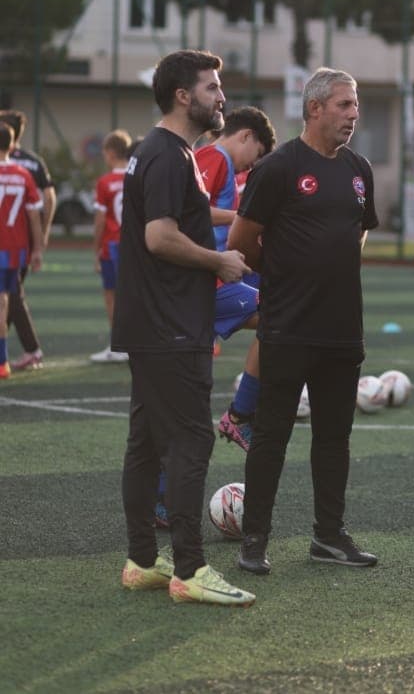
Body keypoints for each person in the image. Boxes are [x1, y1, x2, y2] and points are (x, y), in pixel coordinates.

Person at [113, 49, 255, 606]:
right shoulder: (169, 155)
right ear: (182, 95)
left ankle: (142, 560)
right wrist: (219, 261)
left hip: (153, 321)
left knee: (147, 442)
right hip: (170, 323)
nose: (221, 97)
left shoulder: (160, 152)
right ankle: (191, 570)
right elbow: (159, 237)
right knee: (191, 439)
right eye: (212, 87)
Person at [227, 66, 379, 576]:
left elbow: (358, 233)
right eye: (344, 104)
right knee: (271, 437)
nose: (354, 114)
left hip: (343, 329)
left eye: (355, 105)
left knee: (334, 438)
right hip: (288, 326)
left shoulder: (359, 169)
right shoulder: (279, 167)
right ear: (314, 108)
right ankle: (254, 540)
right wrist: (285, 273)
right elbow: (241, 242)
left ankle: (328, 537)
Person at [153, 106, 277, 529]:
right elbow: (194, 213)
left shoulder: (215, 160)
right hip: (203, 285)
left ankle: (162, 500)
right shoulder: (214, 157)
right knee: (280, 316)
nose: (250, 167)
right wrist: (245, 218)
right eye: (255, 156)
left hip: (205, 285)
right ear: (246, 137)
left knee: (185, 403)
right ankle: (240, 415)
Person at [0, 110, 55, 371]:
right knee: (11, 293)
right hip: (20, 242)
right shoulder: (31, 165)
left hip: (6, 241)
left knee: (10, 295)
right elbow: (49, 198)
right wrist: (41, 239)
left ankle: (27, 350)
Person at [90, 129, 132, 363]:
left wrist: (95, 249)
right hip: (135, 245)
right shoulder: (136, 176)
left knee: (112, 296)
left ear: (111, 153)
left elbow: (100, 221)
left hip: (113, 245)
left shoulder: (105, 182)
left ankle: (119, 345)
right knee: (135, 295)